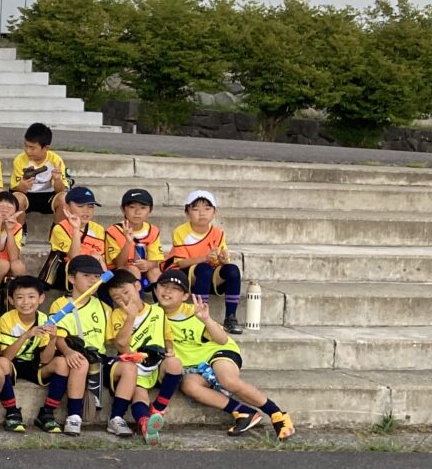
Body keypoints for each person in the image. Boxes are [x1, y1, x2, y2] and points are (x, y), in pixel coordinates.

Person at [151, 268, 292, 440]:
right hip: (193, 364)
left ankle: (277, 414)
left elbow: (222, 339)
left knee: (227, 379)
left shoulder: (194, 311)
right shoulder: (152, 314)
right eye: (164, 286)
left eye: (175, 288)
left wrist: (206, 319)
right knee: (189, 386)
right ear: (155, 288)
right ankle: (243, 412)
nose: (167, 291)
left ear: (185, 296)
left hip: (217, 351)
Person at [0, 276, 72, 435]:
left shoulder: (45, 319)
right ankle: (12, 412)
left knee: (62, 363)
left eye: (31, 297)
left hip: (34, 364)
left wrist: (53, 340)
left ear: (41, 298)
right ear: (11, 300)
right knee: (1, 362)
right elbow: (6, 356)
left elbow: (45, 359)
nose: (26, 302)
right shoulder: (6, 319)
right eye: (20, 297)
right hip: (12, 364)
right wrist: (26, 335)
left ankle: (47, 413)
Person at [43, 255, 111, 435]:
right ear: (72, 278)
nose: (93, 280)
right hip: (75, 354)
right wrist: (68, 351)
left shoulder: (103, 306)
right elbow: (58, 335)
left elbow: (113, 339)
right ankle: (74, 415)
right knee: (80, 363)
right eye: (86, 275)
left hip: (99, 358)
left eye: (97, 277)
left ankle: (118, 417)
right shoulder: (61, 304)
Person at [164, 191, 242, 333]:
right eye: (195, 209)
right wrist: (205, 258)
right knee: (204, 268)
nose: (202, 213)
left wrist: (223, 261)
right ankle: (201, 315)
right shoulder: (180, 232)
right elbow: (181, 263)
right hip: (188, 274)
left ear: (214, 212)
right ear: (187, 212)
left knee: (232, 270)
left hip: (209, 273)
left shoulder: (218, 233)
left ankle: (231, 317)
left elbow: (220, 259)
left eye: (207, 208)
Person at [104, 273, 169, 438]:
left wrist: (170, 349)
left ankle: (154, 413)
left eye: (126, 292)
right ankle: (134, 421)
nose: (124, 299)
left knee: (175, 364)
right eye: (117, 298)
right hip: (130, 364)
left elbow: (168, 337)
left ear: (137, 286)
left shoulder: (157, 311)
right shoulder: (117, 314)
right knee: (139, 392)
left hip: (152, 364)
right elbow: (121, 345)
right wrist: (131, 317)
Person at [41, 185, 107, 296]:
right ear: (67, 208)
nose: (86, 211)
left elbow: (100, 257)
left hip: (92, 270)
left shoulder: (98, 229)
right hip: (66, 273)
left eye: (90, 206)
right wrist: (76, 229)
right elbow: (74, 257)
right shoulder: (60, 228)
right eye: (80, 206)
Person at [104, 187, 165, 293]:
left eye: (143, 208)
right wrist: (128, 242)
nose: (137, 212)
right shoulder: (113, 231)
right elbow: (118, 264)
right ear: (123, 209)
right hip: (119, 273)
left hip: (143, 271)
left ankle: (160, 301)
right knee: (133, 269)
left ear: (150, 210)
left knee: (155, 272)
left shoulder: (153, 231)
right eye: (132, 207)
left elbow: (155, 261)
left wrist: (148, 264)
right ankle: (137, 300)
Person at [12, 122, 68, 218]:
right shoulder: (20, 160)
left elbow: (60, 190)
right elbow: (16, 189)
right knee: (17, 199)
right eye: (26, 146)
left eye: (32, 148)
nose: (28, 151)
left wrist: (57, 179)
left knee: (64, 199)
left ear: (46, 148)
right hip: (27, 195)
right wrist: (22, 186)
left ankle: (58, 227)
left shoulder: (56, 160)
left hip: (49, 196)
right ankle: (19, 227)